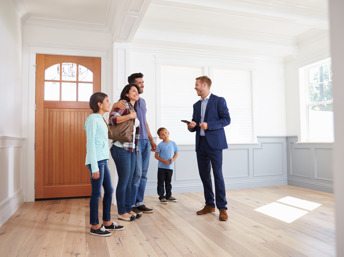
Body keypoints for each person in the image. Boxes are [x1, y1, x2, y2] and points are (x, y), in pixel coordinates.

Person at [187, 76, 231, 221]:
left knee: (217, 175)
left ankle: (222, 208)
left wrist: (209, 125)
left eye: (197, 85)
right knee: (204, 176)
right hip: (201, 144)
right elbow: (196, 125)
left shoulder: (219, 100)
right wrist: (192, 126)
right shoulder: (196, 105)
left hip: (215, 144)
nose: (195, 87)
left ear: (205, 85)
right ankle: (209, 204)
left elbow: (226, 120)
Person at [85, 92, 124, 237]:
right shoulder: (92, 119)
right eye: (107, 101)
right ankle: (95, 225)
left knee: (109, 190)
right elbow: (90, 144)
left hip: (103, 160)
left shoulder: (101, 119)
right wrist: (94, 167)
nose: (109, 103)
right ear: (99, 104)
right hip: (96, 162)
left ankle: (107, 221)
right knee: (96, 194)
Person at [109, 84, 141, 221]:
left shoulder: (133, 108)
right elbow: (112, 119)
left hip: (131, 148)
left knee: (129, 181)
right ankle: (121, 212)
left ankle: (128, 209)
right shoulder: (122, 105)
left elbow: (134, 131)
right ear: (126, 94)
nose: (136, 92)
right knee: (124, 181)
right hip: (120, 147)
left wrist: (136, 148)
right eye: (133, 90)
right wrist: (129, 116)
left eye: (137, 91)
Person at [128, 73, 156, 214]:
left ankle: (139, 202)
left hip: (145, 141)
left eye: (142, 82)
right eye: (139, 83)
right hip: (136, 141)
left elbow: (144, 121)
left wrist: (151, 139)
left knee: (144, 174)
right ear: (132, 86)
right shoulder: (127, 102)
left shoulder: (143, 101)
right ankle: (131, 203)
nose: (142, 85)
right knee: (137, 174)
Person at [154, 127, 179, 204]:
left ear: (168, 133)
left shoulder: (173, 143)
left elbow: (176, 153)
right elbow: (156, 156)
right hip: (161, 167)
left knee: (168, 182)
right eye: (162, 134)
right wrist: (163, 161)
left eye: (165, 132)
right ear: (160, 137)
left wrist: (173, 159)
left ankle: (168, 195)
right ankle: (161, 196)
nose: (164, 135)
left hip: (169, 167)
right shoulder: (160, 145)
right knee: (161, 182)